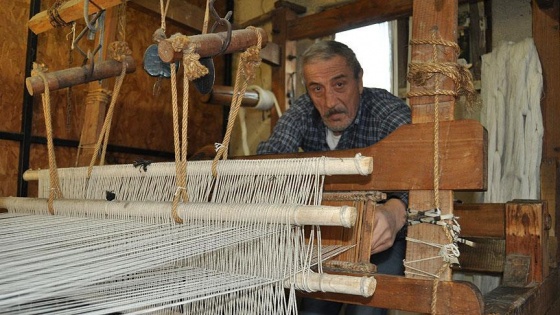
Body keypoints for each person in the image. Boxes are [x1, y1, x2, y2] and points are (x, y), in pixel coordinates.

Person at [256, 40, 411, 315]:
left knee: (366, 308)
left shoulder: (387, 112)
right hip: (328, 237)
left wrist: (396, 212)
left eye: (340, 85)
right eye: (317, 88)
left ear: (359, 80)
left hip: (383, 236)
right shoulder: (304, 111)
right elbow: (269, 163)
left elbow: (428, 167)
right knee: (313, 309)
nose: (329, 102)